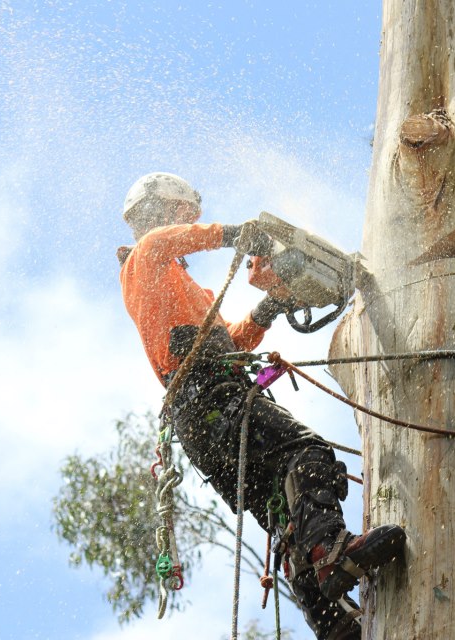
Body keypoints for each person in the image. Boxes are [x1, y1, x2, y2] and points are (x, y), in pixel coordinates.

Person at [116, 172, 405, 640]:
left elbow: (233, 339)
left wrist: (272, 305)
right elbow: (162, 241)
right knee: (307, 454)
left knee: (282, 510)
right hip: (211, 399)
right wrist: (234, 234)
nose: (186, 223)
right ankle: (333, 553)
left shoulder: (186, 290)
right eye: (181, 215)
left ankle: (330, 623)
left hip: (204, 419)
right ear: (163, 212)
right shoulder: (144, 259)